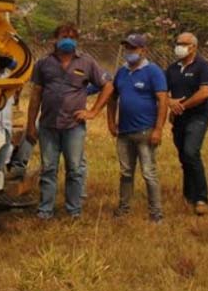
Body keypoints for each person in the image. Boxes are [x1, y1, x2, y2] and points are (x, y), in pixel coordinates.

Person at [26, 23, 112, 219]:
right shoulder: (43, 63)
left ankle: (73, 210)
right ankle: (45, 210)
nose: (68, 39)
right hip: (48, 125)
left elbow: (107, 86)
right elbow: (35, 95)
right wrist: (31, 124)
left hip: (74, 126)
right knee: (48, 168)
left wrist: (93, 111)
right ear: (55, 39)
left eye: (72, 36)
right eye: (64, 35)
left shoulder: (87, 62)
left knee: (74, 169)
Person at [87, 33, 168, 222]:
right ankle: (123, 209)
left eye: (133, 48)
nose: (129, 52)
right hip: (124, 131)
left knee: (149, 173)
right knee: (125, 173)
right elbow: (112, 97)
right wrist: (110, 121)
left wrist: (158, 129)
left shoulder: (153, 72)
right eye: (127, 48)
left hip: (145, 131)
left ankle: (156, 213)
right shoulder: (122, 72)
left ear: (143, 50)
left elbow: (162, 100)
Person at [166, 32, 208, 215]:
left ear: (194, 47)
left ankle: (202, 198)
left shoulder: (203, 67)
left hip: (198, 117)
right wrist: (170, 102)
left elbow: (204, 93)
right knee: (183, 157)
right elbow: (162, 92)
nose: (179, 46)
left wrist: (182, 106)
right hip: (179, 119)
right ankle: (188, 195)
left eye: (184, 44)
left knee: (191, 152)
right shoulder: (172, 69)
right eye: (178, 43)